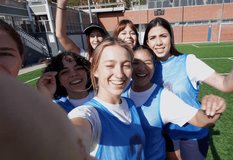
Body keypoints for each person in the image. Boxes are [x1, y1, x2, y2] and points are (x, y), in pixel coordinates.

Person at [143, 17, 233, 159]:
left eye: (163, 36)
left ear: (171, 37)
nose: (158, 42)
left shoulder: (188, 62)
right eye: (152, 38)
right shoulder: (145, 68)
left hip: (193, 133)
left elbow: (226, 84)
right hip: (163, 136)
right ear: (147, 42)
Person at [0, 19, 90, 160]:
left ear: (21, 57)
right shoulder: (51, 107)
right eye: (65, 72)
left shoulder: (104, 97)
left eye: (4, 54)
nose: (74, 74)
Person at [123, 45, 227, 160]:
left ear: (154, 66)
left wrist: (216, 108)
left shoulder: (163, 97)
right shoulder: (120, 93)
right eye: (136, 63)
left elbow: (198, 119)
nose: (141, 68)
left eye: (148, 62)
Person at [67, 37, 145, 159]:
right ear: (95, 70)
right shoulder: (89, 113)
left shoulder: (130, 104)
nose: (119, 74)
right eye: (110, 65)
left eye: (126, 65)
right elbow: (75, 134)